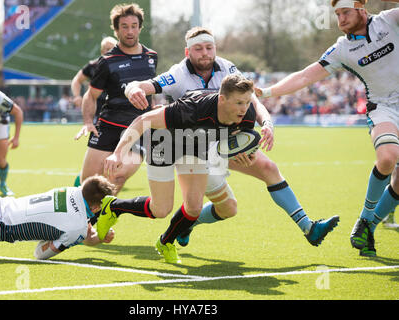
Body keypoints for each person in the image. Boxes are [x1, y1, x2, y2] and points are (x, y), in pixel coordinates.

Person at [123, 27, 339, 250]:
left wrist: (266, 122)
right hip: (189, 148)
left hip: (221, 141)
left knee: (262, 174)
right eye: (198, 49)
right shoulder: (178, 73)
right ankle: (178, 224)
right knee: (184, 207)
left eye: (209, 47)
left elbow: (251, 100)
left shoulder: (227, 68)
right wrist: (132, 90)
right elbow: (144, 86)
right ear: (188, 52)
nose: (205, 53)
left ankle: (308, 227)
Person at [102, 74, 340, 264]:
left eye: (247, 103)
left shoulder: (245, 116)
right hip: (164, 141)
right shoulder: (192, 107)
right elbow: (141, 122)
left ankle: (165, 242)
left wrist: (245, 151)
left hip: (194, 148)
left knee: (193, 208)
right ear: (222, 99)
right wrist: (118, 153)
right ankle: (112, 207)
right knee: (160, 208)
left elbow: (237, 141)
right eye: (238, 102)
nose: (243, 108)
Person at [255, 0, 399, 256]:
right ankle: (365, 219)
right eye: (337, 14)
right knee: (387, 158)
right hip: (384, 108)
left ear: (361, 9)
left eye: (345, 12)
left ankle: (369, 228)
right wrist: (267, 92)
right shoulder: (342, 49)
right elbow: (304, 76)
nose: (340, 19)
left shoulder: (389, 20)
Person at [74, 3, 157, 194]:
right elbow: (91, 95)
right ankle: (85, 222)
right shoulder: (107, 61)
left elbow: (152, 89)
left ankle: (103, 222)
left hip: (137, 129)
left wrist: (154, 110)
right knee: (89, 183)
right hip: (109, 126)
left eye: (134, 26)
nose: (130, 31)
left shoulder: (152, 57)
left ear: (140, 27)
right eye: (124, 26)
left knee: (117, 176)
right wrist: (88, 122)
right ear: (116, 29)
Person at [0, 175, 116, 260]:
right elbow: (40, 254)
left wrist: (94, 236)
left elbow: (77, 223)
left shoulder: (71, 190)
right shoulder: (78, 228)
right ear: (95, 207)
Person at [71, 36, 118, 187]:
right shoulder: (93, 66)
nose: (109, 51)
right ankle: (84, 180)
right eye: (106, 48)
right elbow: (77, 80)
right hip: (98, 114)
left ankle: (92, 179)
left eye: (112, 48)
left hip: (117, 113)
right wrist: (77, 96)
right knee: (101, 149)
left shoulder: (122, 64)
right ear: (101, 50)